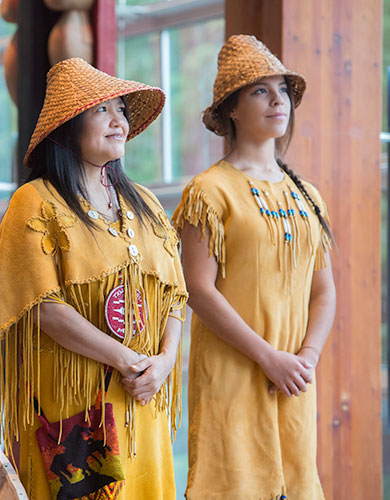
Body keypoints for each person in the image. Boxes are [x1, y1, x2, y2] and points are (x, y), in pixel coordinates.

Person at [0, 57, 188, 499]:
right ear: (69, 126)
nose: (119, 121)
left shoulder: (146, 203)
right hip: (74, 408)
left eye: (122, 110)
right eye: (102, 110)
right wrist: (127, 359)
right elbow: (41, 307)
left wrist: (164, 363)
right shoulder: (34, 202)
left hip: (140, 397)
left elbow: (174, 297)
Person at [172, 35, 336, 499]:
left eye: (281, 89)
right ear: (232, 110)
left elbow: (323, 291)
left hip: (294, 380)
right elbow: (198, 290)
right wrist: (269, 357)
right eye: (259, 91)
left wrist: (308, 357)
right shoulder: (209, 191)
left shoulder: (308, 196)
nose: (277, 100)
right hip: (234, 376)